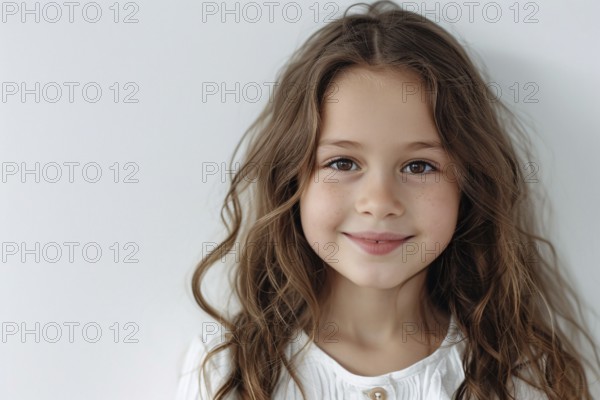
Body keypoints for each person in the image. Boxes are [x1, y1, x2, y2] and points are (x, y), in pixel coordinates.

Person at [177, 1, 600, 399]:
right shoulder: (228, 369)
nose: (379, 203)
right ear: (292, 179)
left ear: (469, 183)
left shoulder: (524, 375)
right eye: (343, 163)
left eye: (418, 167)